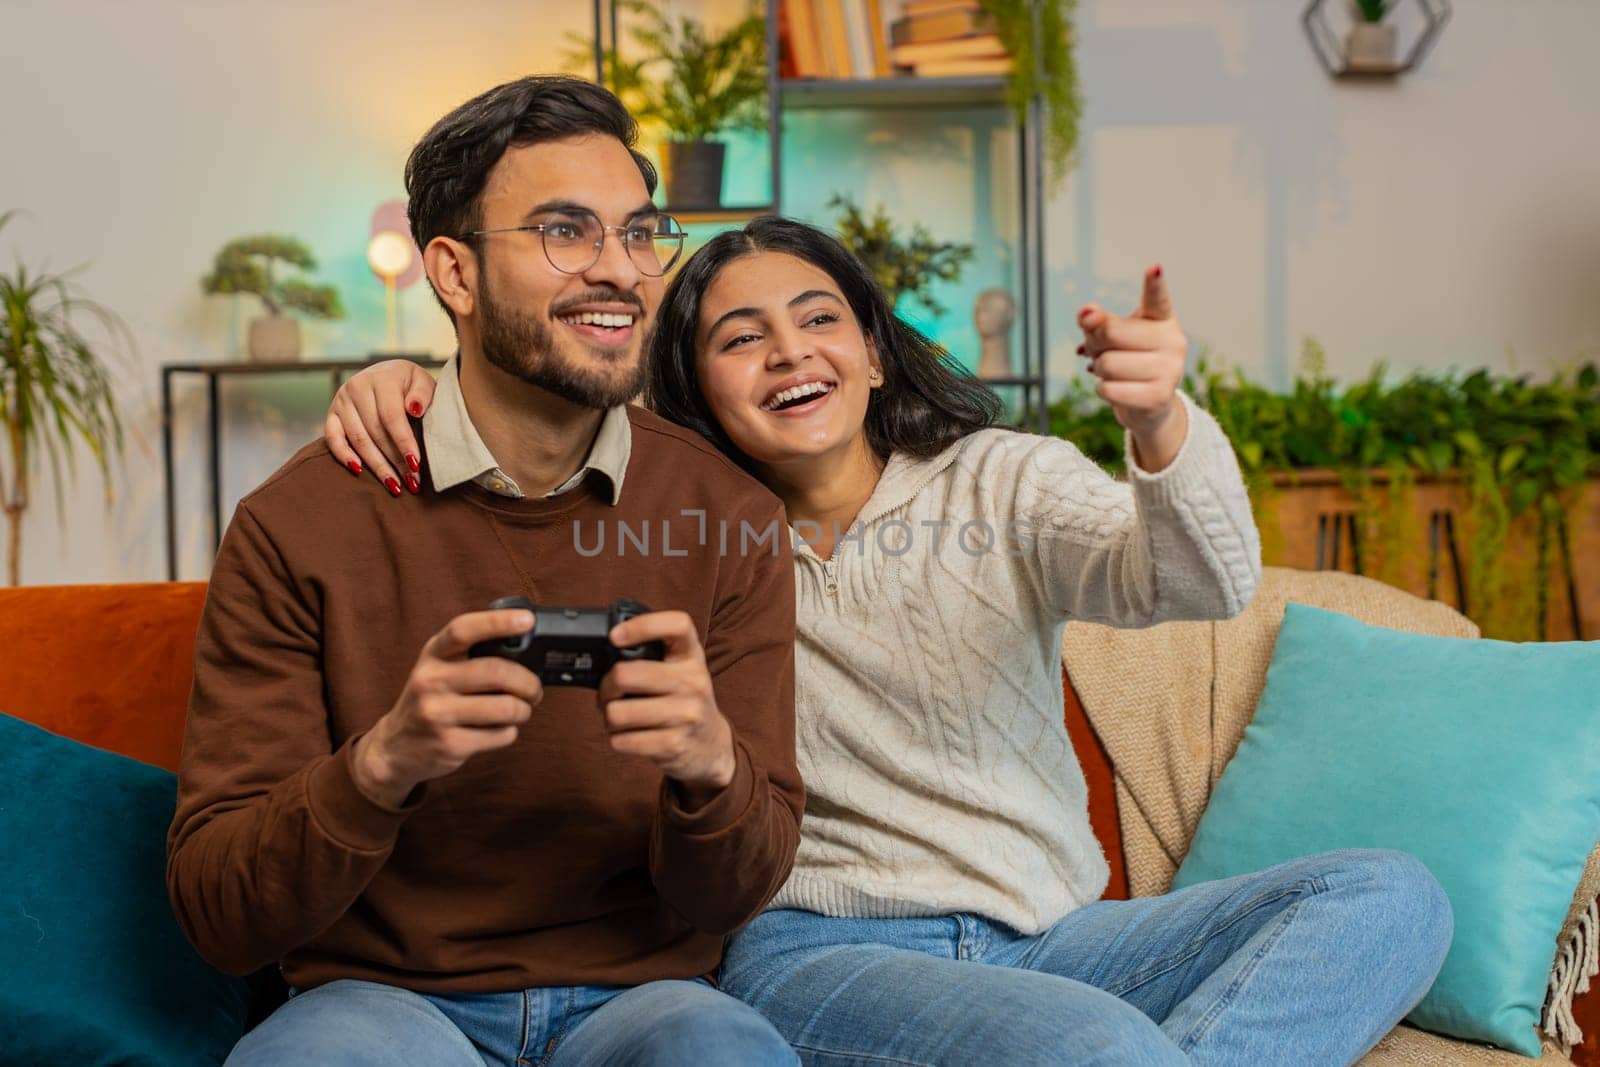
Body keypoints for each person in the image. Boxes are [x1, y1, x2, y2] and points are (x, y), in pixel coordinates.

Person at [326, 213, 1454, 1064]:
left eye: (818, 319)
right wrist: (404, 381)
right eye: (739, 337)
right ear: (693, 391)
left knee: (1393, 895)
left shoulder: (1003, 480)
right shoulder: (670, 530)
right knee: (1089, 1049)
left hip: (1060, 934)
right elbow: (511, 456)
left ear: (871, 352)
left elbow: (1194, 579)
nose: (788, 352)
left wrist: (1158, 420)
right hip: (820, 954)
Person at [167, 76, 806, 1067]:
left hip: (650, 1000)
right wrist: (383, 764)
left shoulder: (729, 515)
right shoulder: (298, 523)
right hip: (380, 1003)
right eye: (564, 232)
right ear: (454, 275)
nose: (620, 271)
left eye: (638, 234)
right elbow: (219, 916)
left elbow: (736, 892)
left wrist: (709, 764)